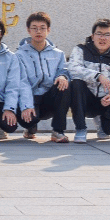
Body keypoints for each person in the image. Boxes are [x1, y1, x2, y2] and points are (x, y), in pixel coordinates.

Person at [68, 18, 110, 142]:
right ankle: (81, 129)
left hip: (105, 100)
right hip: (85, 99)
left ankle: (103, 126)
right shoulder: (81, 50)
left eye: (107, 35)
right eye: (99, 34)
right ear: (92, 36)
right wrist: (97, 76)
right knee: (76, 83)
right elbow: (72, 69)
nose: (102, 38)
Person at [15, 12, 71, 143]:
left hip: (48, 98)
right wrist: (27, 105)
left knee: (65, 84)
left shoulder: (58, 54)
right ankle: (30, 127)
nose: (38, 31)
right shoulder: (19, 54)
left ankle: (58, 131)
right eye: (34, 28)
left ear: (48, 30)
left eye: (42, 28)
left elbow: (64, 70)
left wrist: (62, 76)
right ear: (28, 30)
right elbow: (22, 82)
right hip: (30, 97)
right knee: (29, 120)